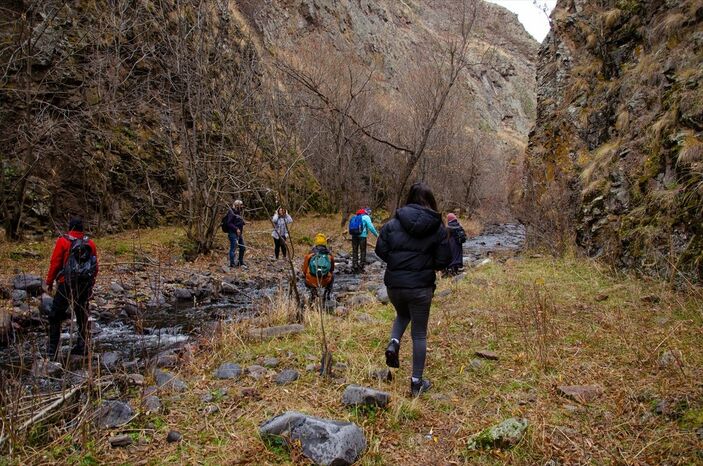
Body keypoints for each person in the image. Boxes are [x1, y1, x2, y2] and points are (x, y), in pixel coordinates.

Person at [375, 183, 451, 396]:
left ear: (409, 198)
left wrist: (398, 263)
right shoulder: (438, 228)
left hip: (395, 286)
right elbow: (443, 260)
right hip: (420, 287)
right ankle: (416, 382)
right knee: (419, 334)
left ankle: (394, 342)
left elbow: (381, 250)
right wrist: (426, 264)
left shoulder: (392, 224)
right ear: (430, 200)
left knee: (402, 314)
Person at [45, 217, 99, 359]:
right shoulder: (90, 244)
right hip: (84, 285)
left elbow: (55, 263)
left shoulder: (63, 241)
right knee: (82, 315)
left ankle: (52, 351)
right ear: (82, 229)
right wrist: (90, 284)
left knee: (55, 315)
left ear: (70, 228)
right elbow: (95, 267)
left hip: (65, 284)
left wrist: (49, 282)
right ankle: (82, 346)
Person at [302, 233, 335, 302]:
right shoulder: (329, 256)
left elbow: (304, 271)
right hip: (324, 281)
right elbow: (332, 270)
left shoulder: (309, 255)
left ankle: (313, 293)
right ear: (325, 243)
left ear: (315, 243)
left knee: (306, 278)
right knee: (333, 276)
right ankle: (327, 295)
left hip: (311, 281)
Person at [349, 208, 379, 273]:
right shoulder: (366, 217)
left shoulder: (355, 217)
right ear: (366, 212)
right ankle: (362, 265)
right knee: (363, 251)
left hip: (354, 236)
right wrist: (377, 235)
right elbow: (371, 227)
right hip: (362, 236)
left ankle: (355, 265)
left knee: (355, 250)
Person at [224, 200, 246, 268]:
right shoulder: (231, 212)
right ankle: (232, 264)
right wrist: (236, 229)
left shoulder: (238, 212)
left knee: (242, 248)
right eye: (241, 205)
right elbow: (229, 223)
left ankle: (240, 262)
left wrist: (244, 222)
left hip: (239, 234)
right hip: (232, 233)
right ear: (237, 205)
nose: (242, 206)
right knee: (233, 248)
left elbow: (238, 221)